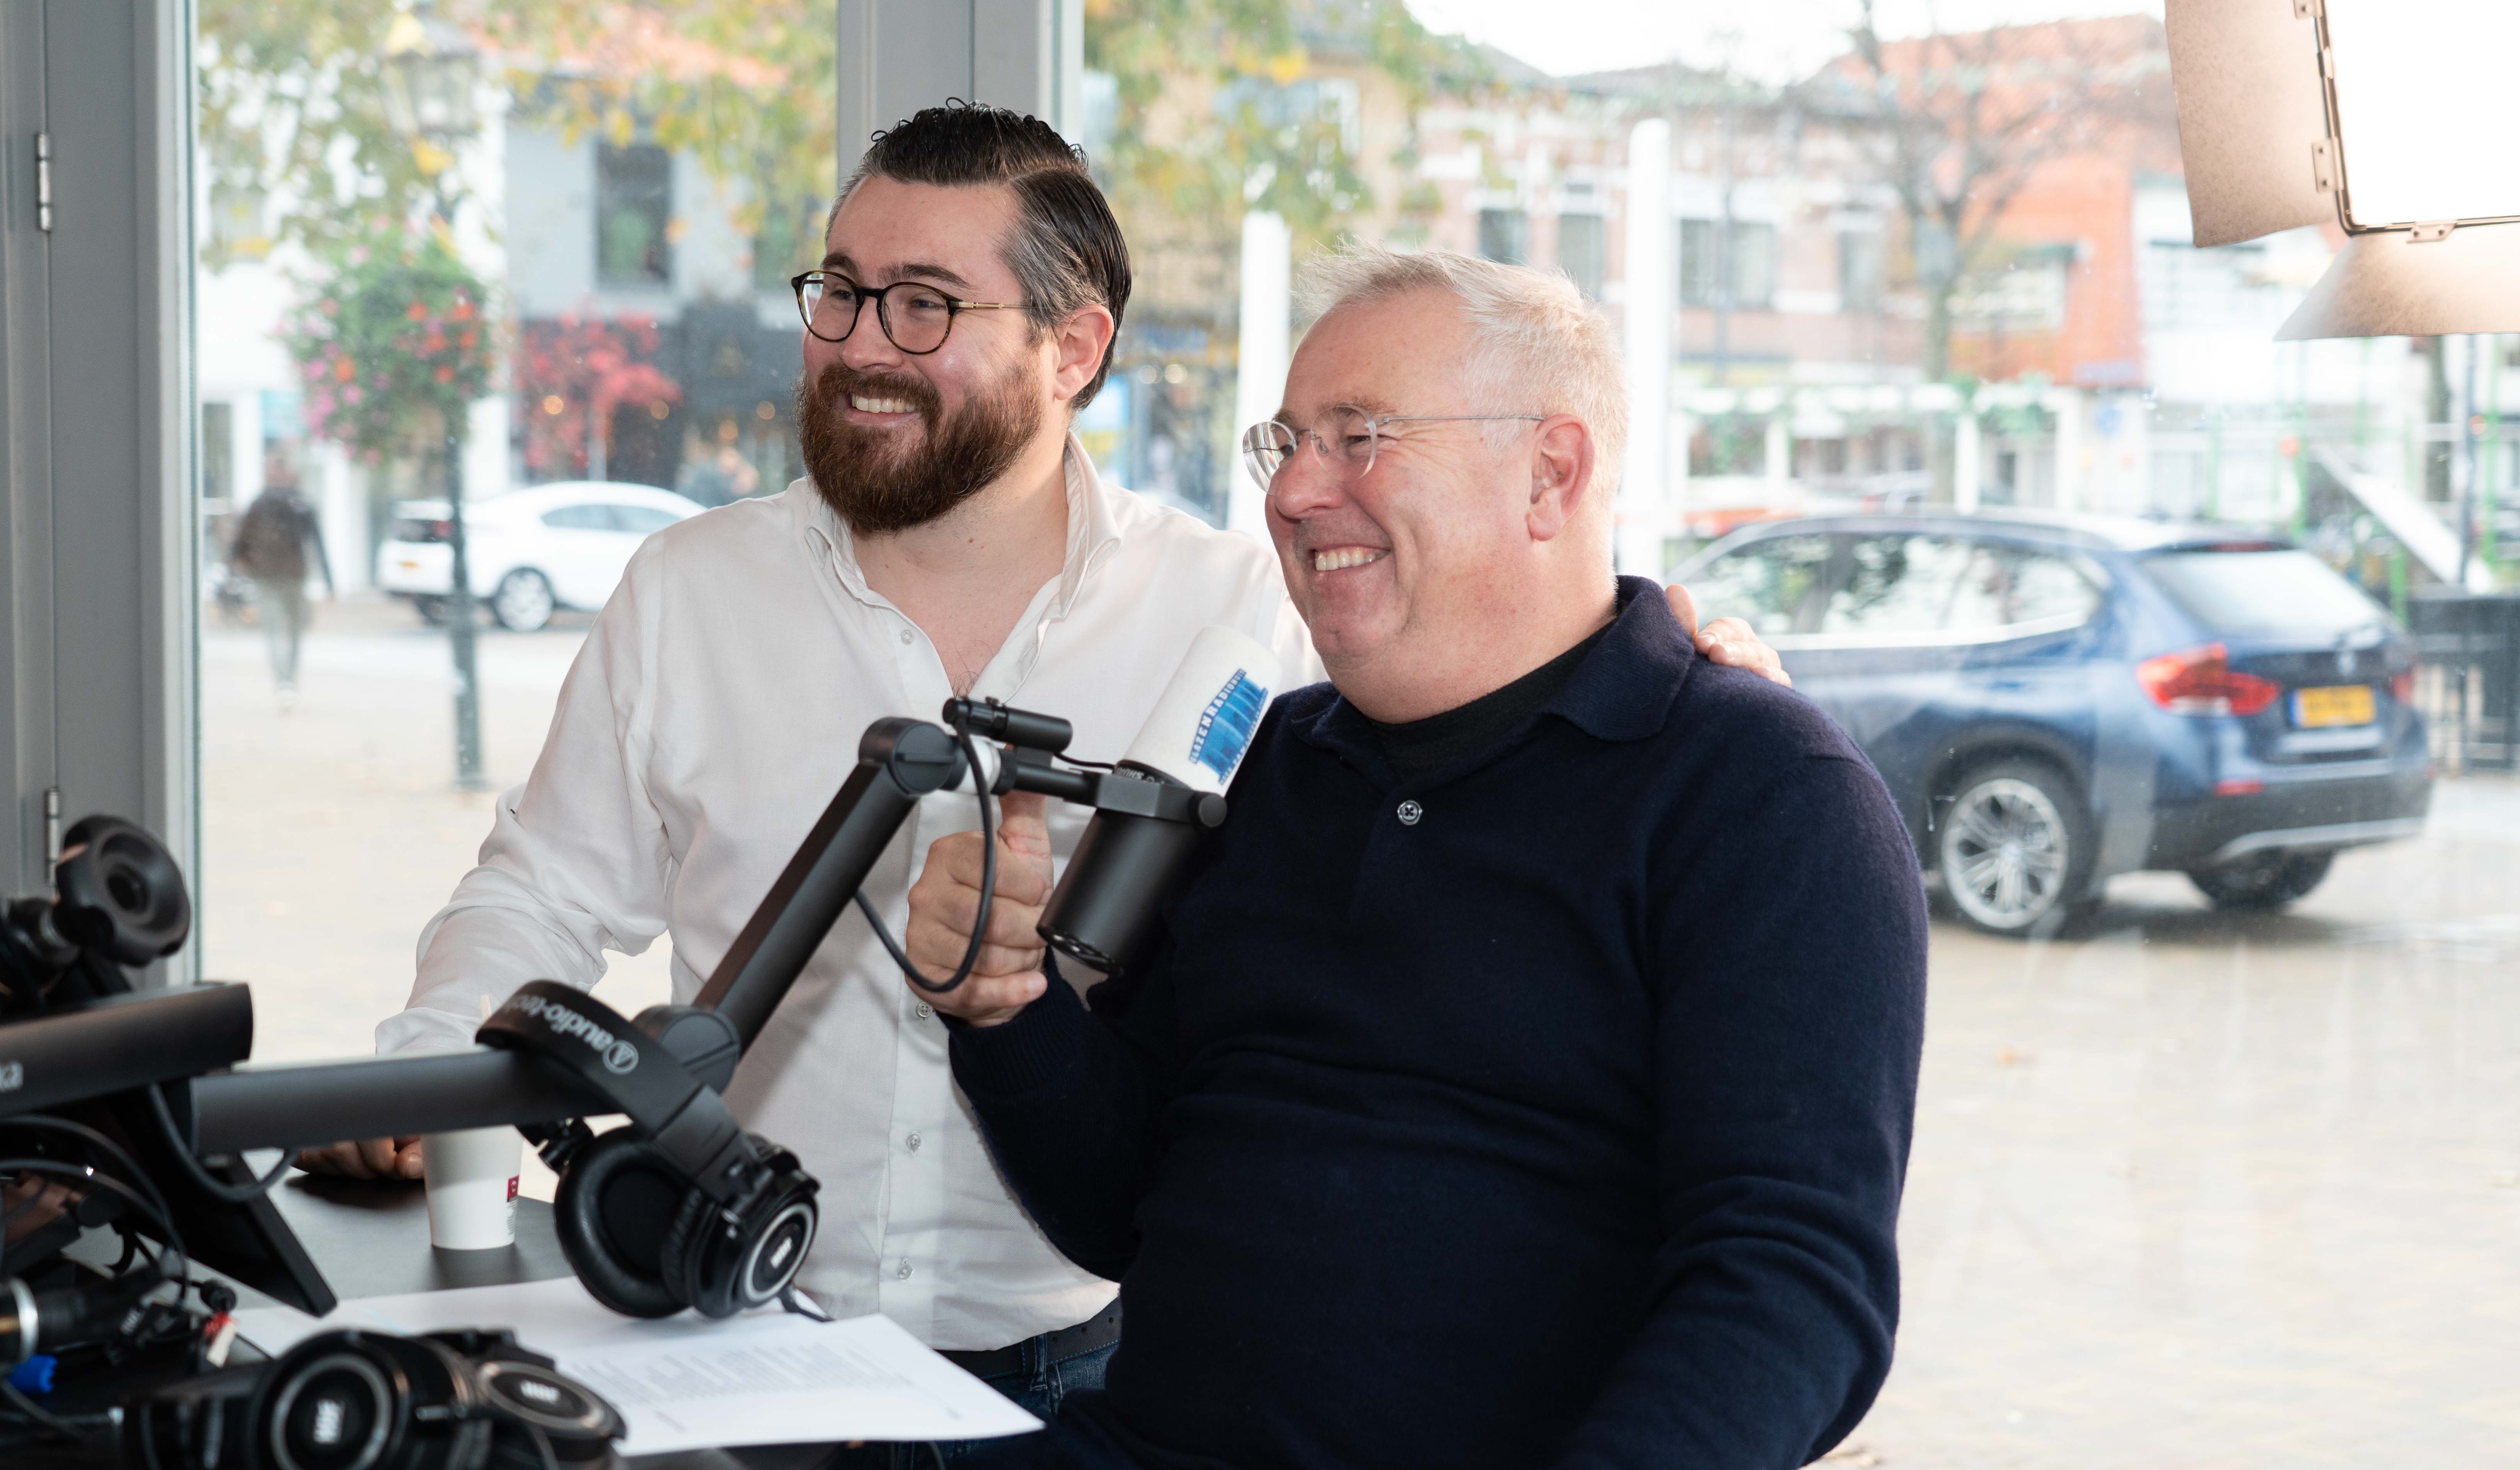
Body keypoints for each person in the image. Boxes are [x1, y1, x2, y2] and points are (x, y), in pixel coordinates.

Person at [295, 106, 1786, 1438]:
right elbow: (541, 892)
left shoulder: (1247, 612)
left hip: (1081, 1380)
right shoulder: (689, 590)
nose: (861, 340)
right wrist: (432, 1077)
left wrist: (1676, 660)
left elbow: (1482, 636)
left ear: (1074, 349)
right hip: (733, 1342)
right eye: (842, 291)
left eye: (927, 304)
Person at [916, 247, 1927, 1470]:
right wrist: (1003, 1007)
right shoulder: (1263, 766)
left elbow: (1791, 1282)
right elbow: (1122, 1209)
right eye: (1284, 442)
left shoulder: (1765, 795)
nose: (1291, 491)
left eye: (1360, 434)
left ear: (1550, 472)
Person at [229, 451, 335, 708]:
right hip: (277, 577)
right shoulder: (291, 503)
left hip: (286, 577)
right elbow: (242, 542)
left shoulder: (272, 503)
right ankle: (286, 681)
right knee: (283, 630)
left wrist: (234, 571)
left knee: (285, 630)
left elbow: (240, 542)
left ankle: (285, 681)